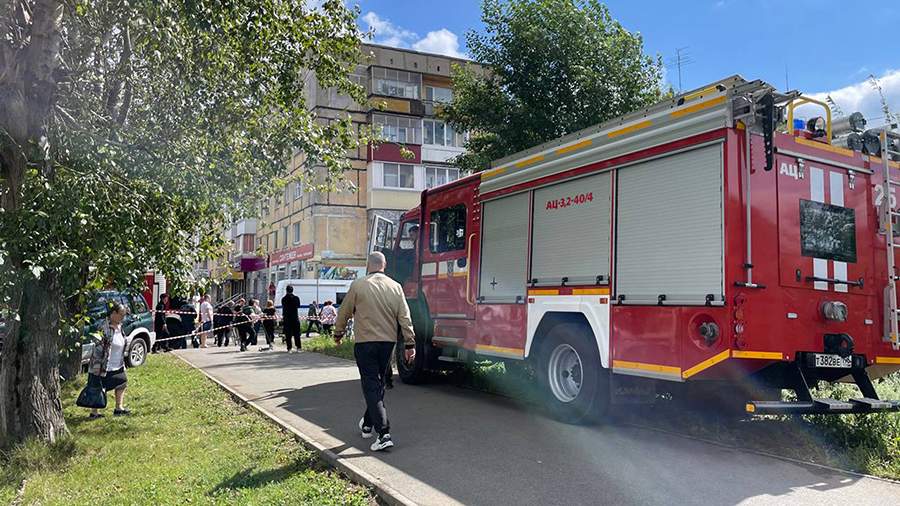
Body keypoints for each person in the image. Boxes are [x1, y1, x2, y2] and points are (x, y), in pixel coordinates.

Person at [335, 252, 415, 452]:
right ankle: (368, 423)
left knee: (371, 384)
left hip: (365, 342)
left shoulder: (358, 285)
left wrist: (338, 333)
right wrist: (409, 344)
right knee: (378, 385)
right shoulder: (395, 287)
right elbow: (405, 317)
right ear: (384, 265)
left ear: (367, 265)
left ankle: (383, 433)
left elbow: (344, 311)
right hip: (388, 343)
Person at [86, 301, 132, 418]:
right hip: (104, 364)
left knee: (122, 382)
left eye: (124, 315)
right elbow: (97, 347)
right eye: (121, 314)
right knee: (100, 387)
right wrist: (97, 367)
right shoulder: (103, 327)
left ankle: (118, 408)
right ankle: (94, 412)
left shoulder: (120, 326)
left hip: (118, 363)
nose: (122, 317)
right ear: (113, 313)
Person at [281, 286, 302, 353]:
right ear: (292, 290)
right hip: (295, 318)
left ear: (286, 290)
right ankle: (298, 347)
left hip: (287, 318)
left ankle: (289, 348)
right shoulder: (296, 298)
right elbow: (298, 306)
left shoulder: (284, 299)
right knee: (297, 333)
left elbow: (284, 307)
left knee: (288, 334)